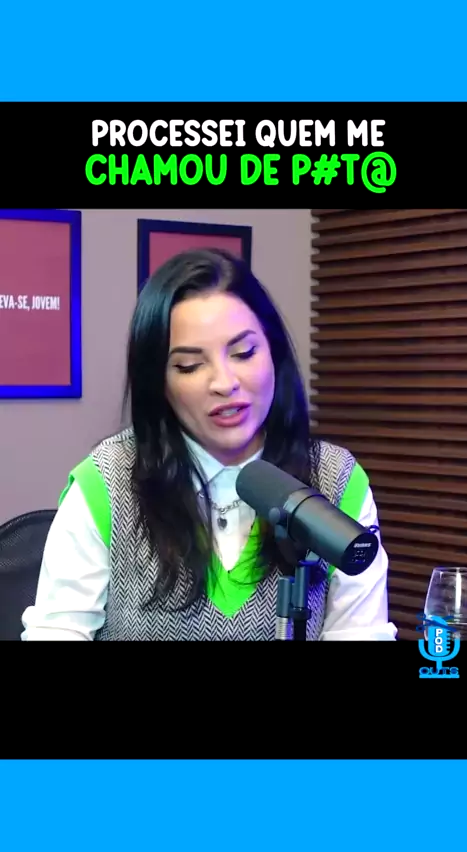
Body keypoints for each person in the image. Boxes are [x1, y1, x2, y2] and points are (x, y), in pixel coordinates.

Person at [21, 248, 397, 641]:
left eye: (244, 353)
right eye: (189, 366)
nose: (224, 383)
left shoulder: (336, 481)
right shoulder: (106, 483)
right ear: (159, 382)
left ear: (274, 354)